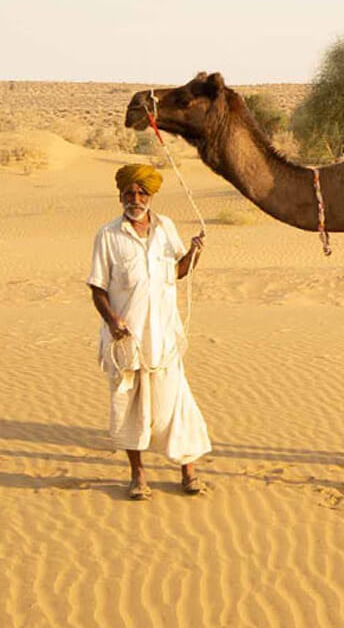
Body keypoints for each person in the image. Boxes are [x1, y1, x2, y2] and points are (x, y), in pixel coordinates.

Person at [87, 163, 212, 500]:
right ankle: (137, 476)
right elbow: (97, 287)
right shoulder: (108, 236)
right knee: (129, 408)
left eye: (142, 192)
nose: (135, 198)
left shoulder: (165, 228)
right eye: (130, 192)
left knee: (176, 403)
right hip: (128, 341)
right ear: (120, 195)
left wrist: (194, 251)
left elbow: (178, 272)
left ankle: (188, 472)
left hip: (165, 339)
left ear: (151, 196)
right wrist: (113, 321)